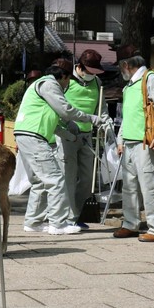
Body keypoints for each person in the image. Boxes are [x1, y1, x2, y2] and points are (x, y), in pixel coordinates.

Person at [13, 59, 109, 235]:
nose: (68, 83)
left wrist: (70, 135)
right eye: (67, 79)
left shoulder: (43, 86)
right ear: (63, 76)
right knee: (56, 179)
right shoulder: (50, 85)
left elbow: (55, 123)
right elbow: (66, 110)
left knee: (40, 182)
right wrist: (91, 118)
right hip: (34, 137)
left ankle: (33, 222)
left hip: (27, 134)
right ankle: (58, 223)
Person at [112, 45, 154, 242]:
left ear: (126, 65)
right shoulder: (129, 86)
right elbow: (127, 116)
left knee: (149, 186)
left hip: (146, 142)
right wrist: (120, 140)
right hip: (129, 142)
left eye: (121, 67)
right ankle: (130, 223)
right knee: (128, 187)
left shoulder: (150, 79)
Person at [56, 50, 107, 229]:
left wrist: (104, 121)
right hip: (68, 135)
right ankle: (67, 216)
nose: (92, 75)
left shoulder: (97, 82)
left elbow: (102, 107)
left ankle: (76, 214)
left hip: (87, 136)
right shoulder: (66, 82)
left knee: (87, 178)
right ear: (79, 67)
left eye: (95, 72)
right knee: (68, 176)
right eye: (89, 71)